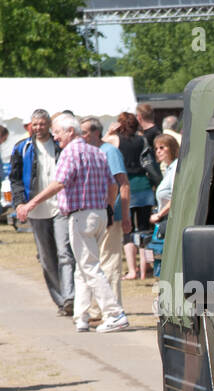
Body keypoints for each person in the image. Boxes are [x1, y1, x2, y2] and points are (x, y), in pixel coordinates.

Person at [15, 114, 129, 333]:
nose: (55, 136)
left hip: (81, 215)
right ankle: (82, 315)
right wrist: (106, 208)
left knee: (89, 266)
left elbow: (59, 183)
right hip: (98, 214)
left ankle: (115, 313)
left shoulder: (70, 152)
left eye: (57, 132)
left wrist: (31, 204)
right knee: (83, 266)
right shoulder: (96, 152)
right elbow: (112, 185)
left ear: (70, 131)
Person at [8, 109, 75, 314]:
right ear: (30, 126)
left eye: (42, 124)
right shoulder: (22, 148)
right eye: (35, 124)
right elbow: (15, 179)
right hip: (35, 209)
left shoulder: (60, 145)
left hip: (61, 206)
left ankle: (70, 296)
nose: (38, 128)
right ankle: (61, 300)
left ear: (49, 125)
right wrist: (19, 203)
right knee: (46, 257)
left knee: (65, 253)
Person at [80, 116, 131, 324]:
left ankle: (112, 308)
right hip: (92, 215)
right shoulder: (85, 153)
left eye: (83, 132)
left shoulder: (110, 152)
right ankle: (97, 308)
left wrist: (124, 215)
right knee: (94, 262)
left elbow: (123, 184)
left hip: (111, 214)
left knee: (109, 261)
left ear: (95, 133)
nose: (80, 136)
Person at [107, 111, 155, 280]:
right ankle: (144, 270)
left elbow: (99, 145)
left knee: (128, 230)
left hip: (126, 185)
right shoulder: (142, 139)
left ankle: (132, 270)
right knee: (144, 230)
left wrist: (109, 132)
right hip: (144, 185)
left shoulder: (114, 140)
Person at [147, 134, 179, 265]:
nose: (158, 151)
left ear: (171, 148)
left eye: (162, 147)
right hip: (165, 219)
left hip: (170, 219)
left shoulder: (176, 167)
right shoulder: (168, 168)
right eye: (156, 148)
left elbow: (176, 196)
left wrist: (159, 214)